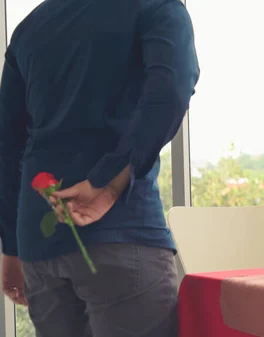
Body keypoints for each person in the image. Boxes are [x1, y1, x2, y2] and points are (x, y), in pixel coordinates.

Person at [0, 0, 199, 336]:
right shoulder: (155, 6)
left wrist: (11, 248)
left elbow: (7, 144)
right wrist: (107, 183)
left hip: (38, 244)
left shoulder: (30, 27)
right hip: (121, 234)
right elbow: (171, 90)